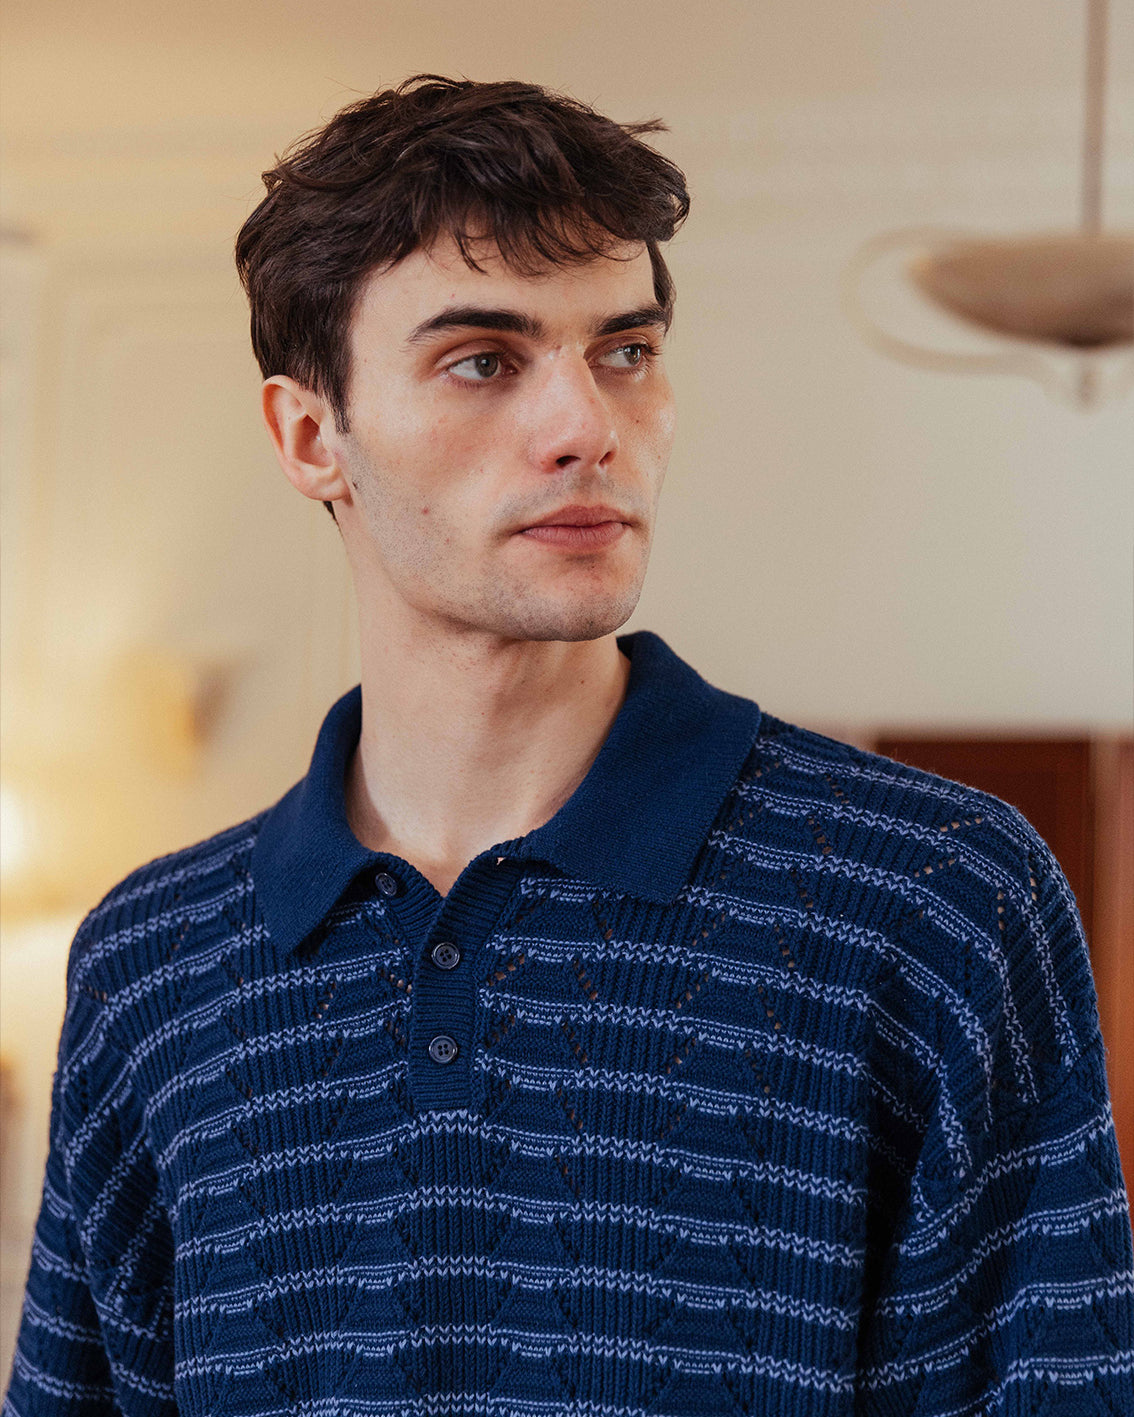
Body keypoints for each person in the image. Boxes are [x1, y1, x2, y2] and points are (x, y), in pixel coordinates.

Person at [4, 74, 1132, 1417]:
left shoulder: (939, 896)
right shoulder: (150, 963)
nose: (586, 427)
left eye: (625, 351)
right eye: (483, 360)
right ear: (311, 437)